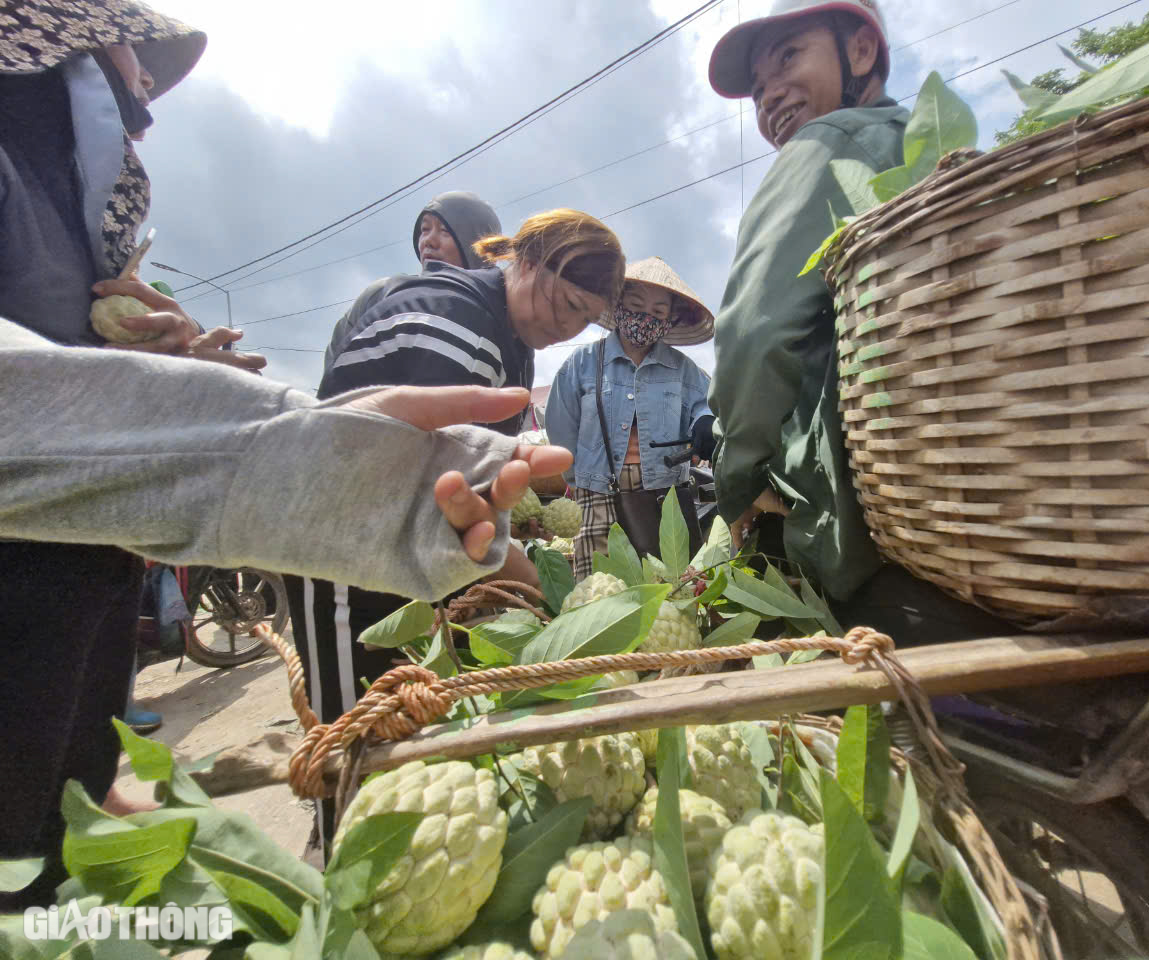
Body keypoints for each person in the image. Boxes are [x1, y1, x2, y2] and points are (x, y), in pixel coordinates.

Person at [0, 315, 568, 908]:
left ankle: (73, 823)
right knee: (27, 869)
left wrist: (294, 456)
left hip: (74, 554)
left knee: (61, 802)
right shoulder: (450, 319)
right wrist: (286, 454)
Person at [0, 0, 269, 908]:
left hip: (80, 571)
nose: (146, 81)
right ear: (61, 39)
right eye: (132, 54)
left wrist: (176, 363)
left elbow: (84, 363)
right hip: (20, 579)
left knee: (55, 832)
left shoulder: (76, 215)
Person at [290, 208, 625, 857]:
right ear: (528, 260)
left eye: (583, 318)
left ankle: (388, 862)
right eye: (565, 302)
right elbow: (400, 468)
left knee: (406, 721)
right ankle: (340, 876)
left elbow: (463, 485)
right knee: (356, 736)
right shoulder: (457, 317)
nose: (566, 326)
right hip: (340, 540)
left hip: (407, 546)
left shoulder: (513, 342)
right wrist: (525, 582)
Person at [705, 0, 1011, 640]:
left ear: (861, 53)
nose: (769, 97)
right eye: (758, 88)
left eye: (789, 58)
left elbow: (753, 336)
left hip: (858, 530)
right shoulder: (931, 148)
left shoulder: (827, 143)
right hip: (975, 509)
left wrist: (739, 485)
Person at [545, 257, 715, 579]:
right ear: (619, 303)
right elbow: (562, 433)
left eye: (658, 312)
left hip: (665, 499)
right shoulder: (582, 364)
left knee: (672, 592)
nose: (645, 317)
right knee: (602, 597)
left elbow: (705, 406)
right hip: (597, 497)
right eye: (636, 305)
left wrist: (705, 420)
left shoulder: (684, 370)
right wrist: (583, 483)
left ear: (671, 318)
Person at [322, 190, 502, 369]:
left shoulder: (503, 326)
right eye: (425, 229)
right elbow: (334, 363)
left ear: (477, 244)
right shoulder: (383, 295)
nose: (428, 241)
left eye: (445, 230)